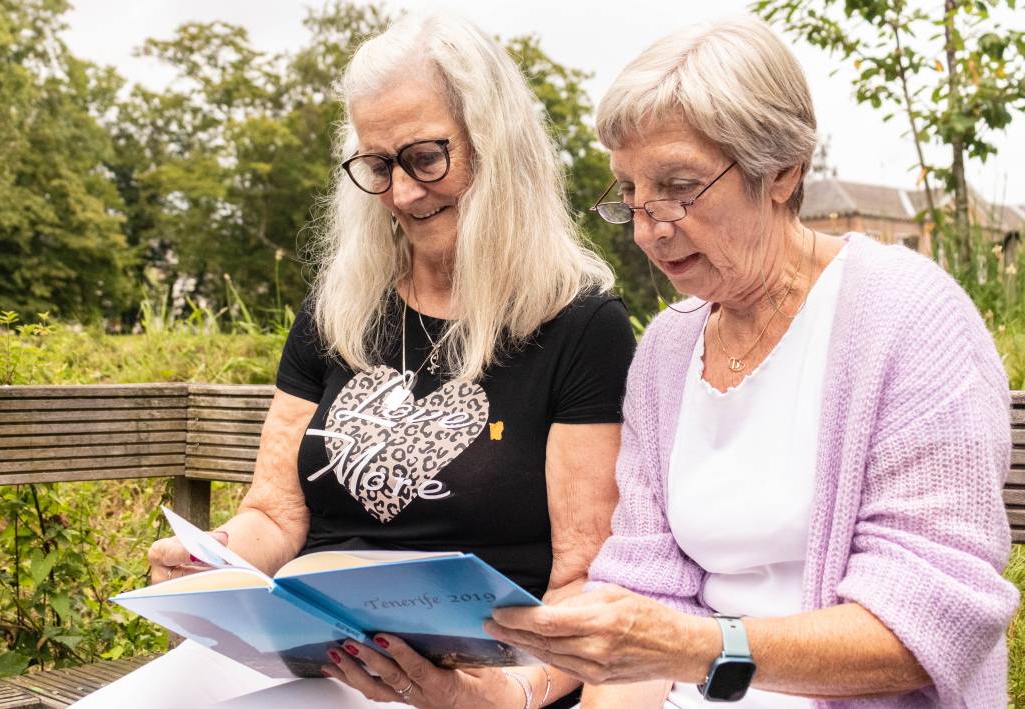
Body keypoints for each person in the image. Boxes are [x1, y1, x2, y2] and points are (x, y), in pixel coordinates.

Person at [484, 16, 1018, 708]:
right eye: (631, 195)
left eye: (679, 186)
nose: (649, 228)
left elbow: (925, 627)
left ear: (783, 170)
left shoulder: (909, 317)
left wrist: (697, 647)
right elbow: (642, 597)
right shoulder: (667, 350)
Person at [147, 11, 635, 708]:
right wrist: (213, 557)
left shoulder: (580, 326)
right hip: (318, 670)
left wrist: (503, 694)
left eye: (426, 157)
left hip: (479, 680)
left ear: (495, 147)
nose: (403, 193)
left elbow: (582, 581)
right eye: (379, 166)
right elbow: (275, 516)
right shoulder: (339, 308)